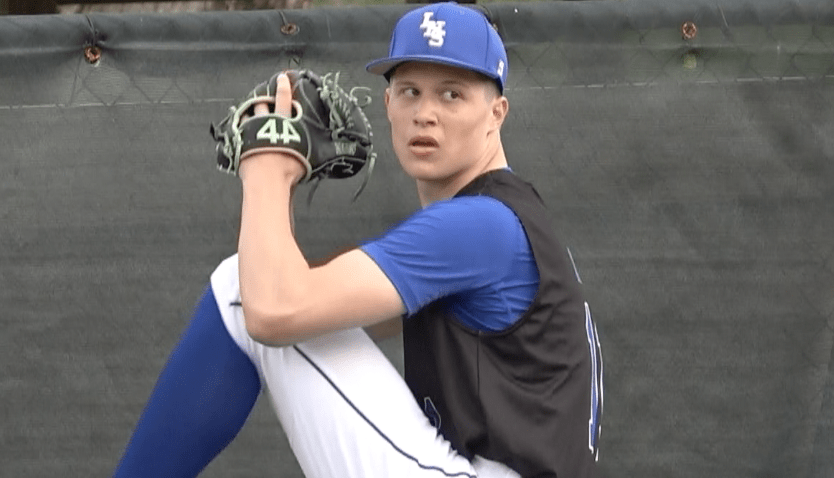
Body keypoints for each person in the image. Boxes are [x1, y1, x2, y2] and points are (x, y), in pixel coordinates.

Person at [114, 3, 603, 477]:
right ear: (388, 104)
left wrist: (267, 168)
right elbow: (321, 304)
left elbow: (272, 310)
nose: (425, 113)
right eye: (410, 91)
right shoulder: (504, 217)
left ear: (496, 113)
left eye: (451, 94)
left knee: (238, 291)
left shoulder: (479, 225)